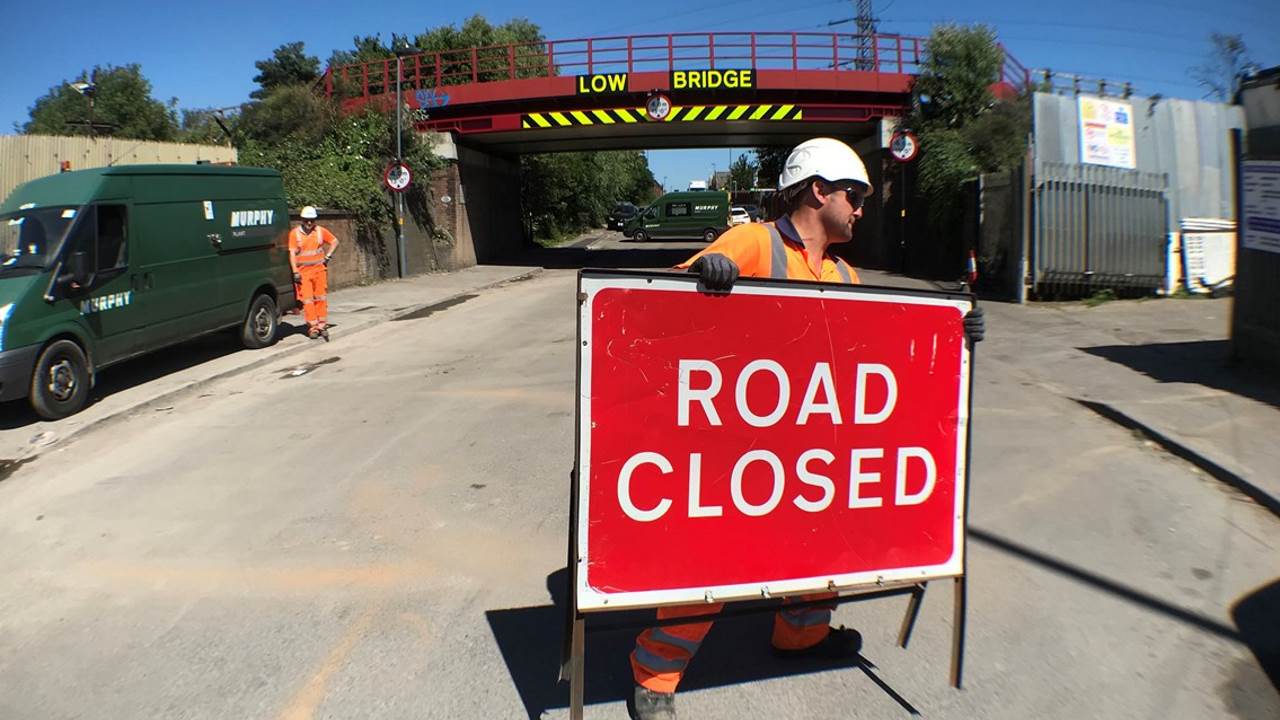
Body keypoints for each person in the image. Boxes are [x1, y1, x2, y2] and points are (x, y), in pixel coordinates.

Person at [627, 137, 984, 720]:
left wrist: (952, 339)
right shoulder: (751, 242)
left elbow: (872, 358)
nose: (862, 206)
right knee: (713, 559)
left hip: (812, 447)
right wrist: (704, 277)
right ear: (818, 190)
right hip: (735, 445)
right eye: (855, 193)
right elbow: (652, 310)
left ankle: (800, 638)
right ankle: (654, 678)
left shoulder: (845, 274)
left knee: (821, 549)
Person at [289, 206, 339, 340]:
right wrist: (295, 272)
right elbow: (292, 254)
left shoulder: (320, 231)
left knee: (321, 298)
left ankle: (322, 325)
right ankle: (313, 327)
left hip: (319, 270)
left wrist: (328, 256)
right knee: (308, 300)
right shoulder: (295, 234)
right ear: (302, 220)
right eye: (306, 220)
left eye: (311, 220)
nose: (309, 223)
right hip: (304, 272)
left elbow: (334, 241)